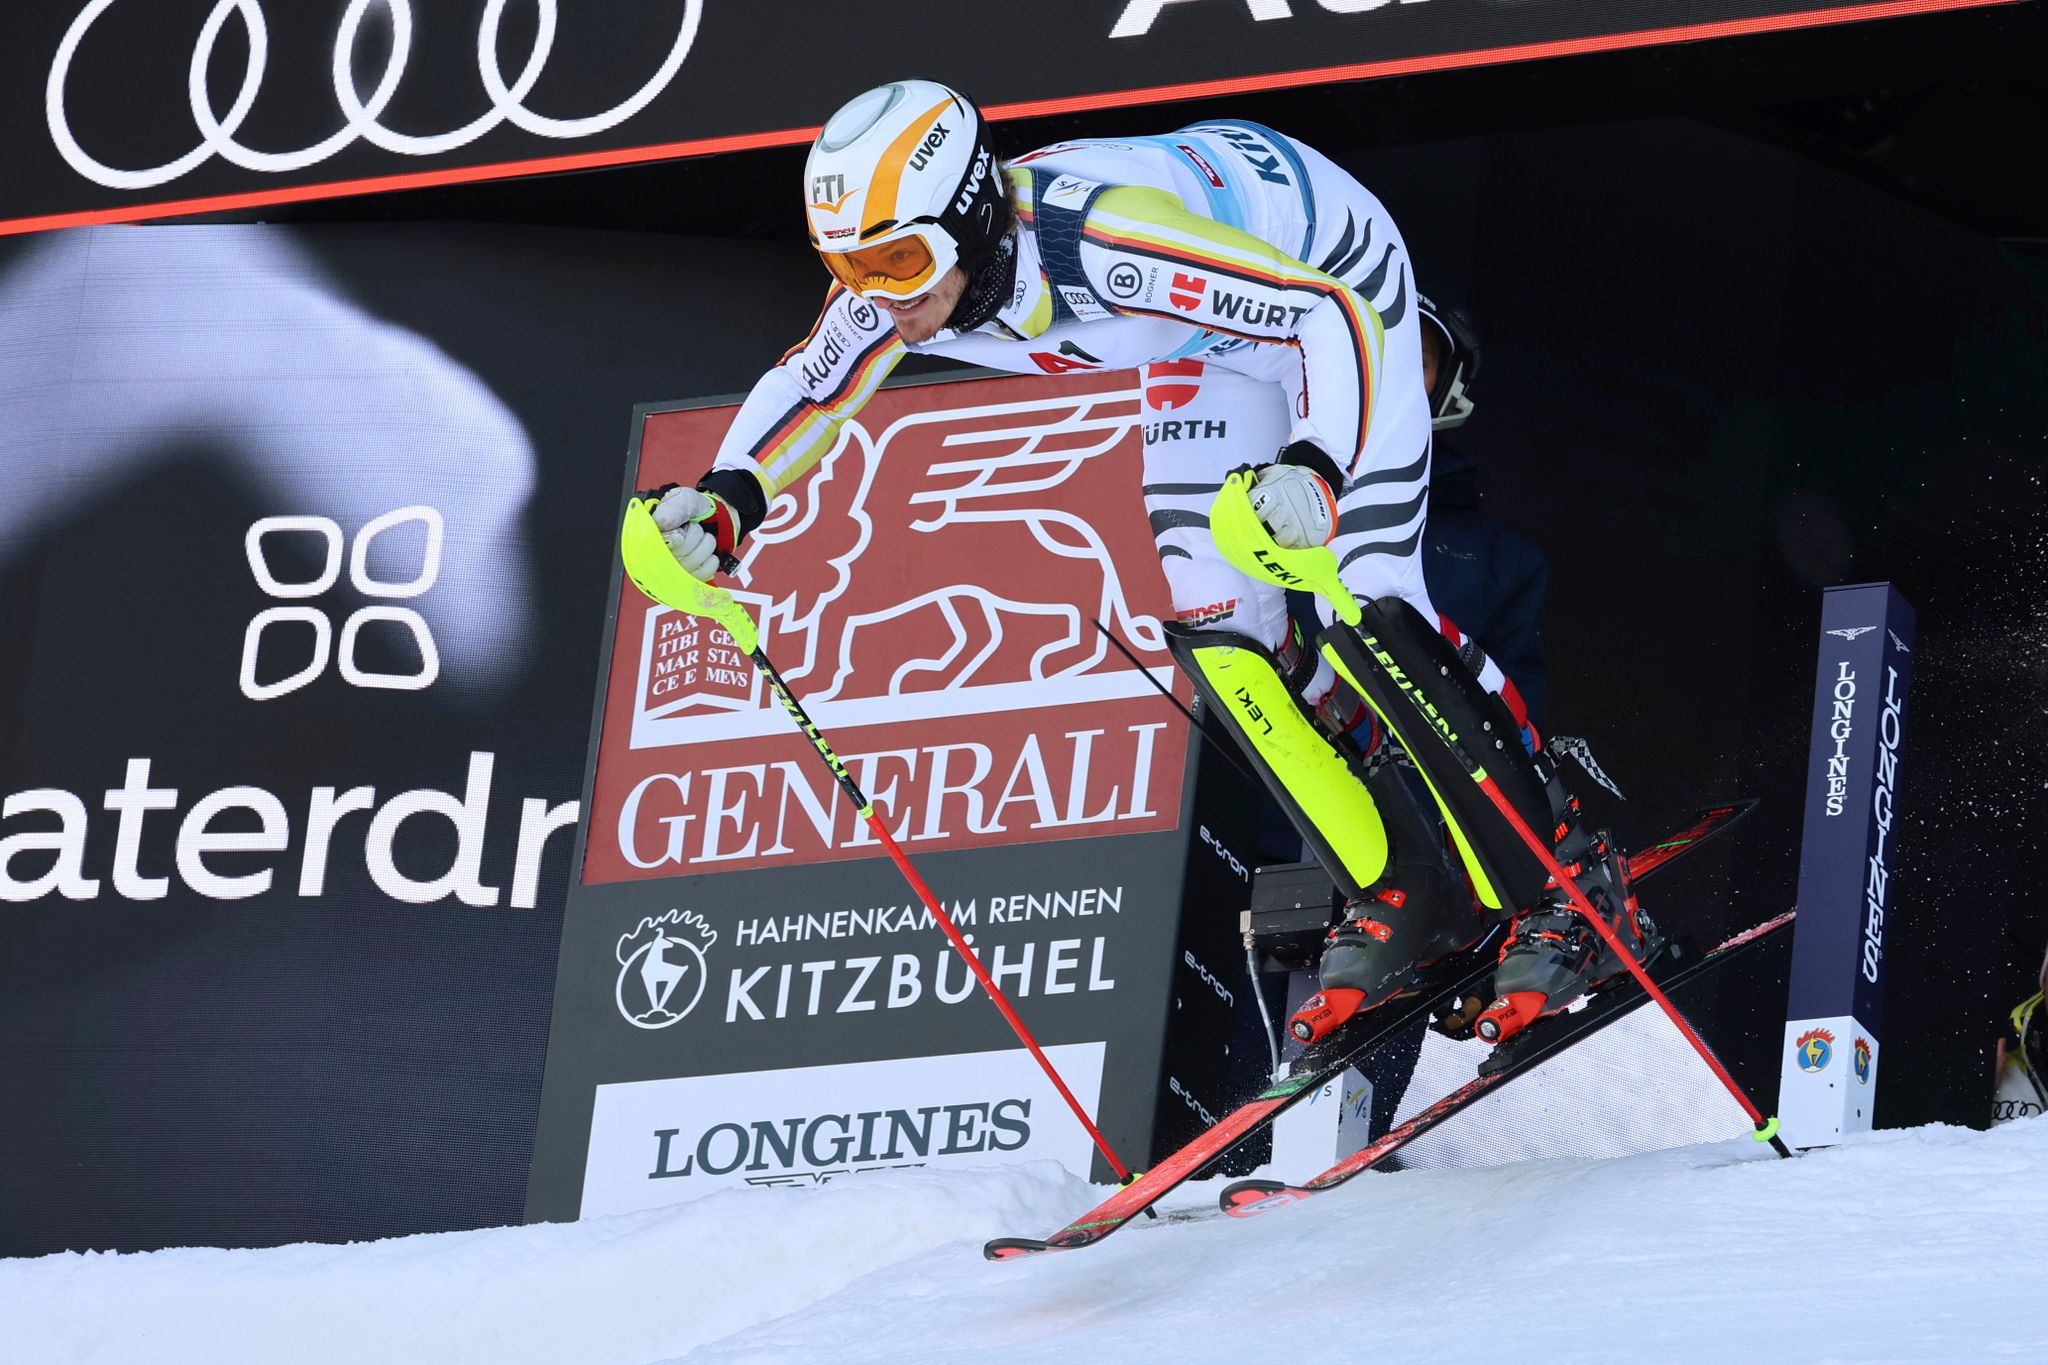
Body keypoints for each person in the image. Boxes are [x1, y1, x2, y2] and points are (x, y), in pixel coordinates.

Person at [642, 79, 1650, 1050]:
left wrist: (1312, 462)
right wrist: (730, 501)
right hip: (1202, 340)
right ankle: (1402, 881)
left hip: (1320, 280)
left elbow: (1320, 314)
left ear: (971, 217)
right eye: (849, 266)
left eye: (900, 262)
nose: (877, 297)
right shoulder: (893, 288)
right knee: (1222, 630)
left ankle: (1567, 880)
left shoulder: (1103, 242)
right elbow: (813, 385)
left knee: (1365, 599)